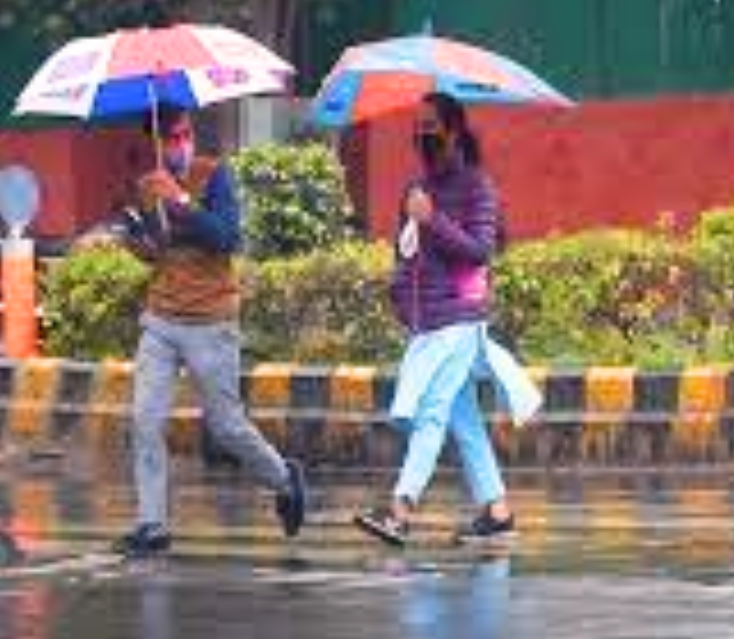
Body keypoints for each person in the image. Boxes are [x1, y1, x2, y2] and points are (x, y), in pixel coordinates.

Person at [112, 107, 306, 557]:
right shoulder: (147, 186)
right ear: (156, 144)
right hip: (161, 318)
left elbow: (225, 237)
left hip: (211, 321)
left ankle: (283, 477)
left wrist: (179, 200)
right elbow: (160, 250)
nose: (180, 145)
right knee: (144, 419)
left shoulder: (215, 175)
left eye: (185, 136)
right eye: (171, 139)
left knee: (226, 426)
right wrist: (137, 242)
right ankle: (152, 524)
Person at [354, 91, 542, 548]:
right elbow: (405, 254)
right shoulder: (414, 191)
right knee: (464, 420)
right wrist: (401, 296)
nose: (422, 134)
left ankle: (400, 511)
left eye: (431, 125)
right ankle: (497, 511)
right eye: (416, 126)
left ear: (454, 131)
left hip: (460, 320)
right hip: (427, 324)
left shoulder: (477, 186)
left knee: (431, 413)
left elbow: (480, 251)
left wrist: (433, 218)